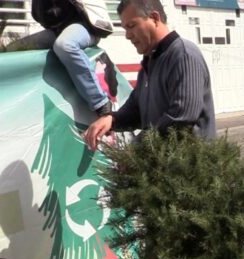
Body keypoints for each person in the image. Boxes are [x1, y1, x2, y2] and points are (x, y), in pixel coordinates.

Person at [83, 0, 216, 151]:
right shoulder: (150, 62)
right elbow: (136, 109)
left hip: (190, 169)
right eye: (125, 28)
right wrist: (111, 120)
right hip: (162, 167)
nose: (127, 35)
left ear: (154, 18)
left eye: (131, 26)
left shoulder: (183, 55)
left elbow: (182, 117)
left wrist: (136, 149)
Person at [23, 0, 115, 115]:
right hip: (57, 31)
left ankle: (101, 103)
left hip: (86, 26)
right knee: (16, 48)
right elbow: (38, 16)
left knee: (65, 44)